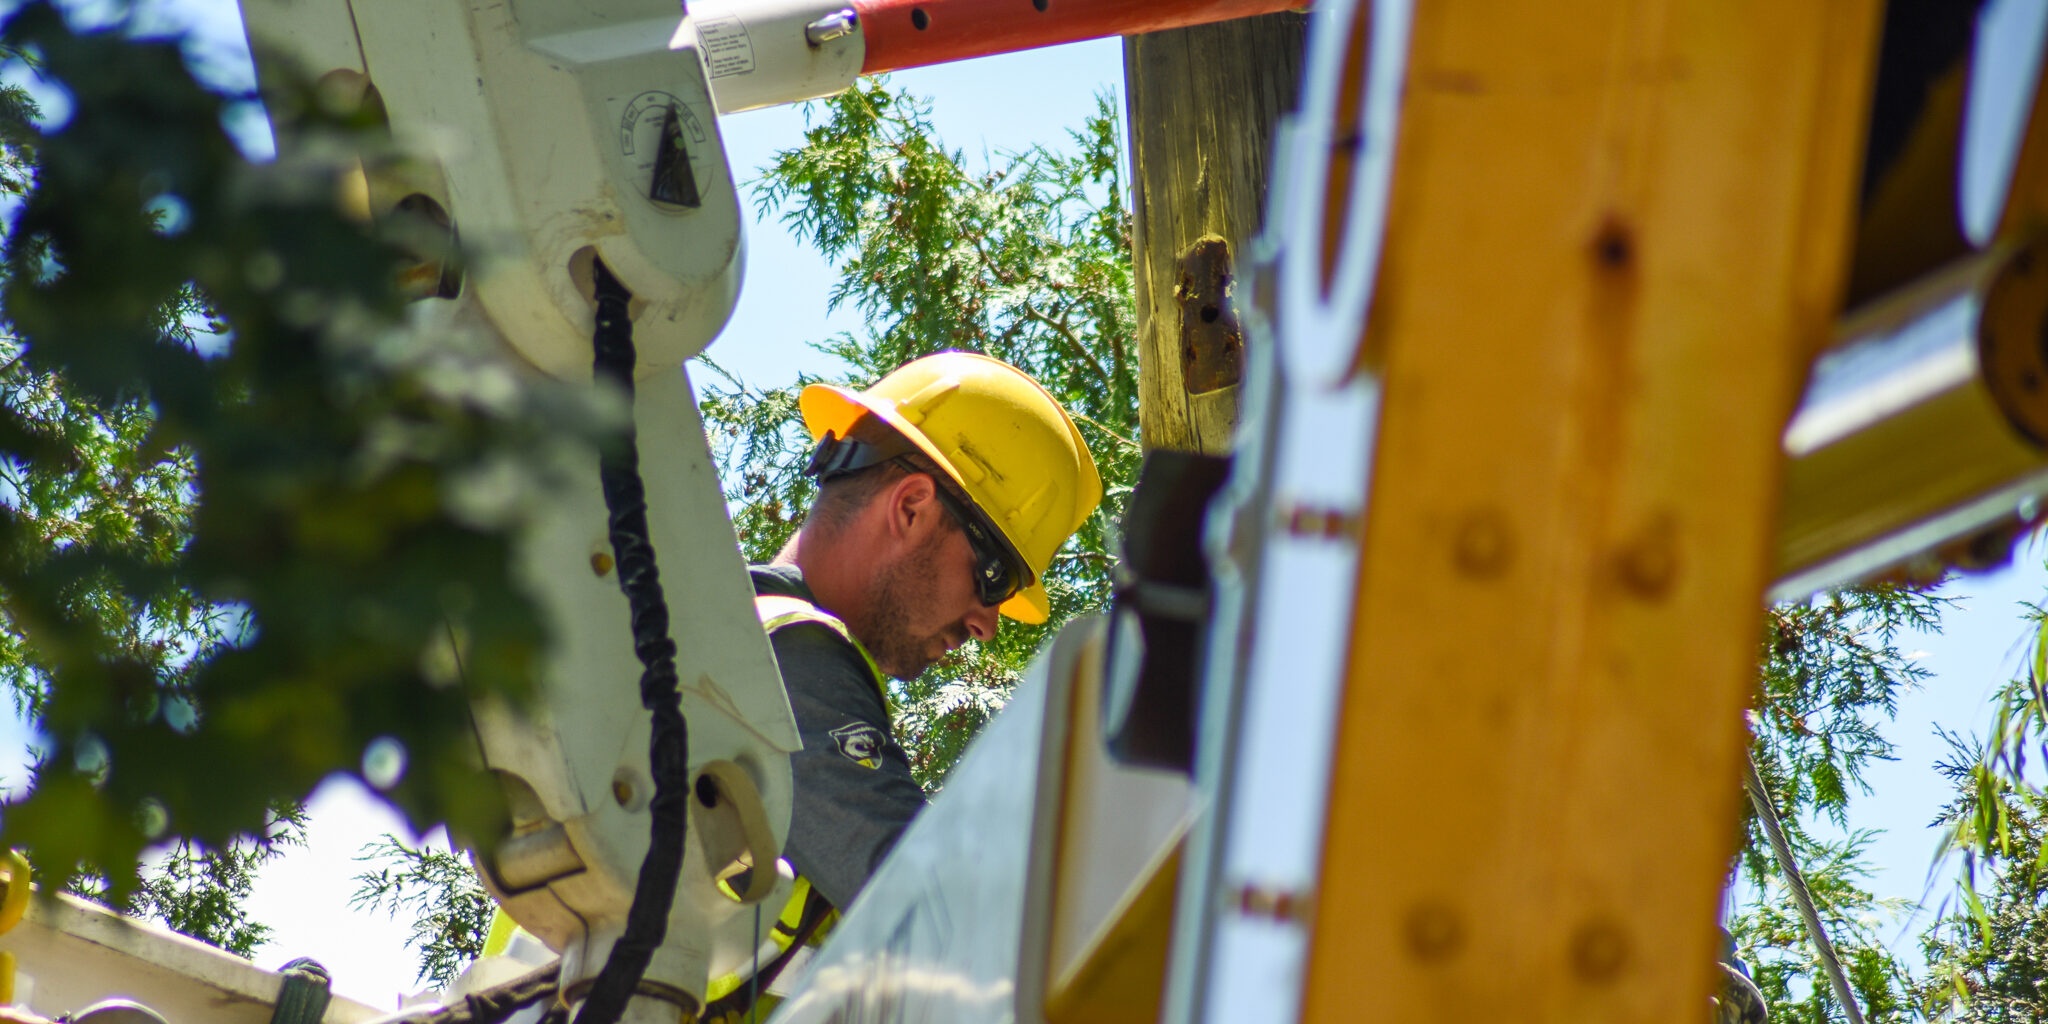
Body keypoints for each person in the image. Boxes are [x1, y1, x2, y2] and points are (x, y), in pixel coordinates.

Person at [708, 352, 1101, 1008]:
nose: (987, 625)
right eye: (993, 578)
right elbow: (943, 921)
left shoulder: (750, 652)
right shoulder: (774, 654)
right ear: (913, 506)